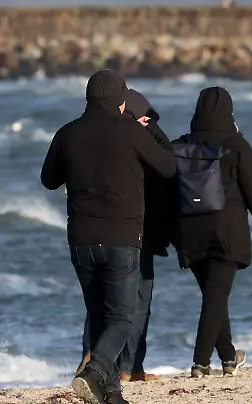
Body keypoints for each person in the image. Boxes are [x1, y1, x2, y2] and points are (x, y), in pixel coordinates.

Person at [41, 69, 176, 404]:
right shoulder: (130, 131)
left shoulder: (67, 133)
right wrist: (152, 131)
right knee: (121, 317)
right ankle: (95, 370)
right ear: (120, 101)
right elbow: (169, 166)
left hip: (82, 239)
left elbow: (48, 180)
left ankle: (112, 394)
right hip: (122, 236)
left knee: (99, 314)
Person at [174, 87, 252, 379]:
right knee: (215, 297)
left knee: (213, 296)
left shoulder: (180, 146)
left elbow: (166, 196)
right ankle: (200, 362)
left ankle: (229, 357)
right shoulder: (236, 146)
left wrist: (167, 234)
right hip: (226, 232)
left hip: (189, 234)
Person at [78, 89, 176, 383]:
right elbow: (168, 164)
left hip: (113, 231)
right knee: (130, 304)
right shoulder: (131, 140)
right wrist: (150, 132)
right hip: (131, 231)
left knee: (112, 302)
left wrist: (149, 128)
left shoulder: (111, 138)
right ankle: (116, 365)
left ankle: (109, 363)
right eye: (145, 117)